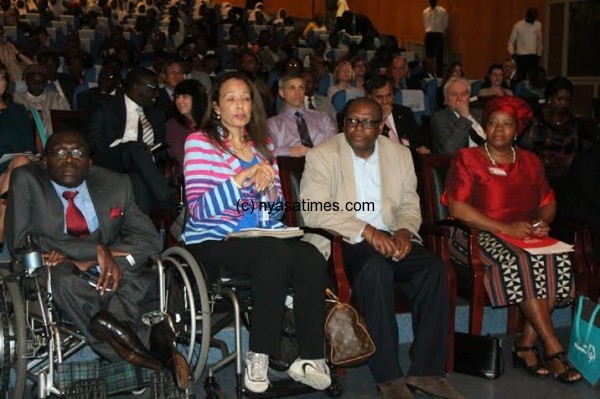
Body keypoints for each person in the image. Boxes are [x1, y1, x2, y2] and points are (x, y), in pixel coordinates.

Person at [300, 97, 463, 399]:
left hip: (391, 236)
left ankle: (425, 371)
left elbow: (409, 203)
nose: (358, 128)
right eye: (351, 121)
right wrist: (367, 230)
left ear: (380, 126)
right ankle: (388, 376)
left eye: (367, 122)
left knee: (433, 269)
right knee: (375, 270)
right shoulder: (323, 155)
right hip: (344, 240)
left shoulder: (399, 154)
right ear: (342, 122)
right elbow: (314, 210)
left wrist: (404, 231)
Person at [5, 129, 191, 390]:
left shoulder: (116, 184)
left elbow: (149, 239)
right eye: (59, 152)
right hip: (58, 274)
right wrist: (95, 250)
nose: (69, 159)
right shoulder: (27, 179)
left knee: (155, 276)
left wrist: (101, 260)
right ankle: (149, 353)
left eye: (78, 152)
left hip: (111, 274)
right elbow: (20, 242)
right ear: (44, 160)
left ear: (90, 162)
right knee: (63, 279)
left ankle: (116, 332)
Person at [182, 71, 331, 394]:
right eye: (231, 98)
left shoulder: (264, 144)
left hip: (258, 238)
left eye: (246, 98)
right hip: (213, 239)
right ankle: (259, 354)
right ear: (217, 107)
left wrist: (270, 195)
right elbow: (199, 210)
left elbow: (272, 212)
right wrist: (240, 180)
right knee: (273, 253)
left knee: (309, 255)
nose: (240, 105)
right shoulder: (199, 143)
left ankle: (310, 357)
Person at [442, 96, 582, 384]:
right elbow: (457, 208)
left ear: (516, 130)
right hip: (474, 236)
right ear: (484, 128)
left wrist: (541, 222)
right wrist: (504, 227)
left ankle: (526, 344)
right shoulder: (468, 158)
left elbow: (548, 201)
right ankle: (554, 347)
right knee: (521, 260)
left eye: (506, 124)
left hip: (523, 234)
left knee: (556, 257)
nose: (498, 129)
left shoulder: (530, 161)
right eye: (492, 123)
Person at [86, 67, 174, 214]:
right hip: (110, 160)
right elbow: (93, 143)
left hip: (142, 168)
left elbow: (161, 152)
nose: (157, 94)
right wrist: (125, 146)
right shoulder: (106, 106)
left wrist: (149, 153)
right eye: (153, 88)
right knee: (134, 147)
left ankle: (141, 231)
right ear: (136, 87)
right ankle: (169, 198)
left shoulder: (157, 114)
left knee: (138, 178)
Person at [0, 61, 35, 249]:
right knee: (9, 177)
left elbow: (30, 149)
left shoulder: (18, 111)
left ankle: (0, 225)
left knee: (20, 161)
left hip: (17, 168)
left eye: (1, 77)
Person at [268, 72, 336, 157]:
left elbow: (334, 145)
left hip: (322, 164)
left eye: (301, 88)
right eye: (292, 88)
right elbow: (267, 151)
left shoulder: (323, 118)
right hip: (290, 166)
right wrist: (289, 151)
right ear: (282, 93)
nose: (298, 92)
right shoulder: (273, 124)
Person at [365, 75, 428, 154]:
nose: (385, 101)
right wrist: (382, 118)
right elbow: (368, 145)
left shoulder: (404, 111)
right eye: (380, 97)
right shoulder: (365, 115)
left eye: (388, 96)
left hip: (407, 157)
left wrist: (421, 148)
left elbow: (417, 140)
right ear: (370, 97)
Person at [518, 77, 578, 157]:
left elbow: (575, 148)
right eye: (559, 99)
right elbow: (524, 146)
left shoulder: (570, 121)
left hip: (566, 166)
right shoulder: (538, 118)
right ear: (550, 98)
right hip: (540, 165)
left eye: (567, 100)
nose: (563, 103)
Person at [13, 64, 71, 138]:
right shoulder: (15, 99)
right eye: (32, 81)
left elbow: (67, 122)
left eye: (40, 82)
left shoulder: (56, 98)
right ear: (26, 82)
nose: (36, 85)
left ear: (46, 83)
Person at [431, 77, 486, 154]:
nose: (459, 99)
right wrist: (463, 118)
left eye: (464, 94)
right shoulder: (440, 118)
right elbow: (450, 151)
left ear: (469, 96)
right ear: (446, 99)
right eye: (453, 95)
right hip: (464, 162)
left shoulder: (480, 113)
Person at [166, 79, 207, 172]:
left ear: (196, 99)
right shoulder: (174, 125)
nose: (179, 101)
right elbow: (182, 158)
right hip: (190, 174)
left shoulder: (209, 123)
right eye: (177, 97)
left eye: (184, 96)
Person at [508, 7, 542, 82]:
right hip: (522, 56)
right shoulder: (518, 25)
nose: (533, 20)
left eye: (534, 18)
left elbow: (539, 40)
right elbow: (511, 41)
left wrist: (539, 53)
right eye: (531, 17)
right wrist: (512, 53)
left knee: (534, 77)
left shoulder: (538, 25)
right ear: (527, 16)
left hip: (533, 56)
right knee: (521, 77)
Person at [422, 0, 448, 76]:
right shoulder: (425, 12)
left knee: (439, 55)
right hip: (428, 34)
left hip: (438, 34)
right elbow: (424, 23)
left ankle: (439, 74)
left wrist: (439, 31)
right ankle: (428, 74)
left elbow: (445, 24)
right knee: (428, 56)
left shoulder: (442, 11)